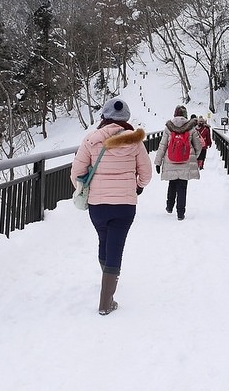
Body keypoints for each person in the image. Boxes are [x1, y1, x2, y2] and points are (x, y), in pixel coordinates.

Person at [70, 97, 152, 315]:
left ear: (104, 116)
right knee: (116, 246)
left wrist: (87, 188)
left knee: (104, 240)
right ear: (126, 118)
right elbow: (146, 174)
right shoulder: (135, 142)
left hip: (98, 204)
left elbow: (77, 173)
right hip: (125, 204)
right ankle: (106, 300)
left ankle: (107, 283)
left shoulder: (90, 140)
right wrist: (138, 187)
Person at [154, 105, 201, 221]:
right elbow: (198, 146)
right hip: (185, 162)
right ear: (185, 115)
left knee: (172, 184)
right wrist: (193, 157)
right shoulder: (191, 128)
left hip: (171, 160)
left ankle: (169, 206)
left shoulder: (168, 128)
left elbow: (162, 146)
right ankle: (180, 213)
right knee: (182, 187)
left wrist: (158, 162)